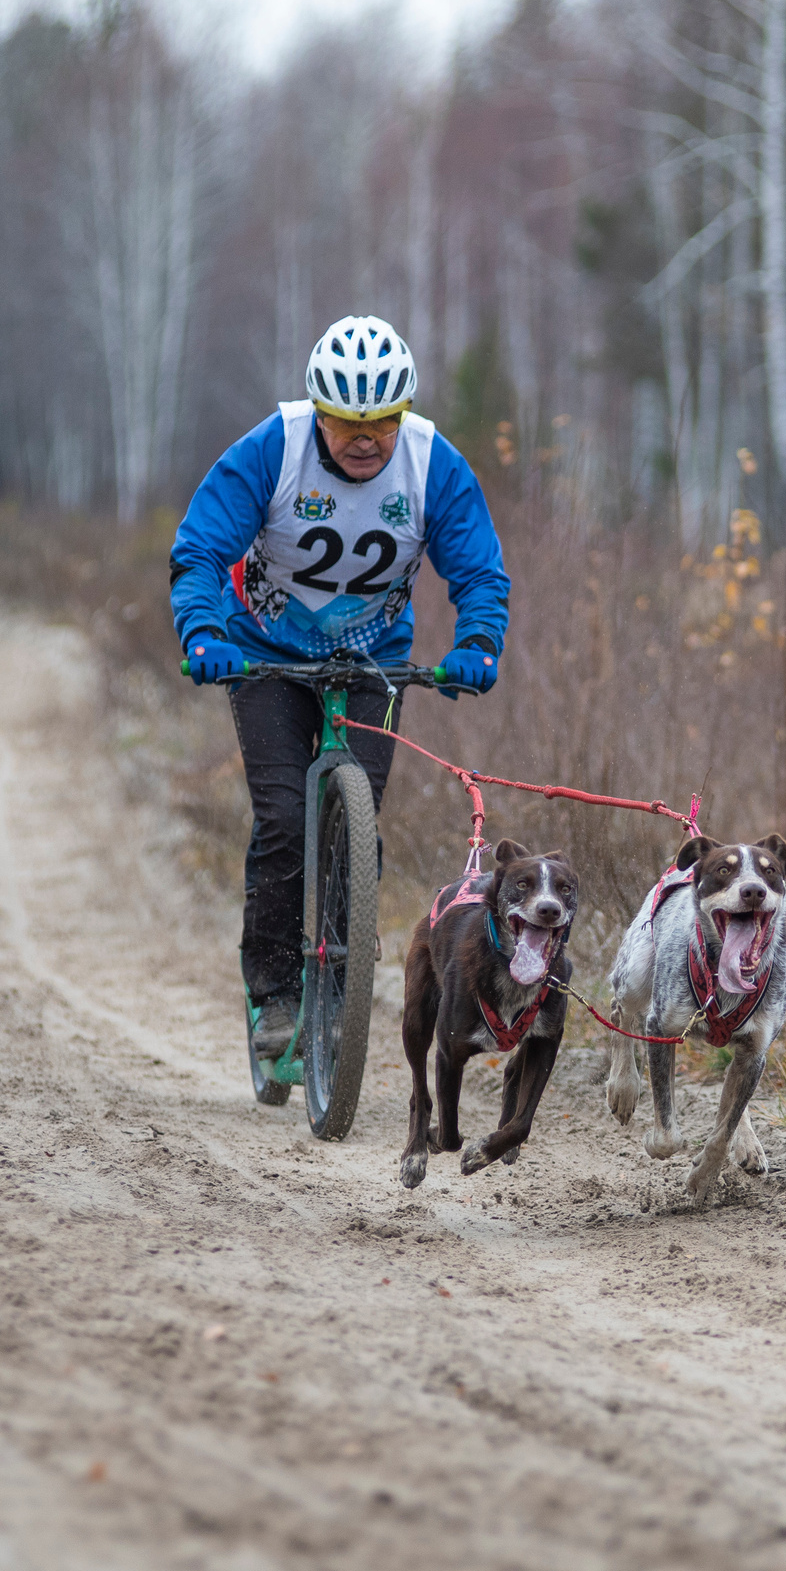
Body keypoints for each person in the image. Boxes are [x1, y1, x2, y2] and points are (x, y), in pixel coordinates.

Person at [170, 315, 509, 1057]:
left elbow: (480, 571)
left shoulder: (432, 464)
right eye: (347, 422)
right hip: (262, 653)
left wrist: (479, 641)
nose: (365, 439)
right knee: (285, 818)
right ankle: (273, 991)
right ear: (318, 412)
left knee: (356, 818)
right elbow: (199, 550)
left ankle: (347, 968)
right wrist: (204, 633)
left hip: (372, 659)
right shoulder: (274, 448)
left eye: (382, 423)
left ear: (403, 414)